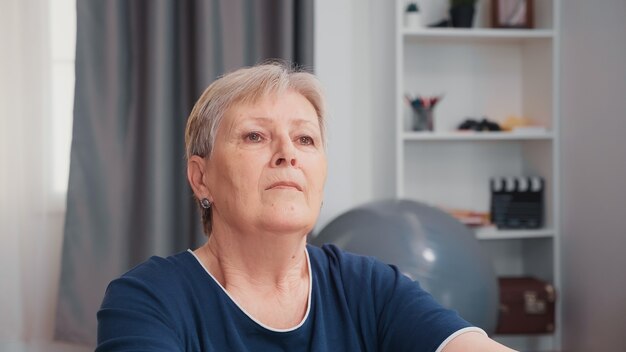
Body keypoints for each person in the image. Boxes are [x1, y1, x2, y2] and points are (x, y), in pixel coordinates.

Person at [96, 62, 516, 351]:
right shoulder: (146, 300)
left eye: (305, 139)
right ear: (201, 178)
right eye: (255, 136)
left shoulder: (370, 288)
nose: (287, 155)